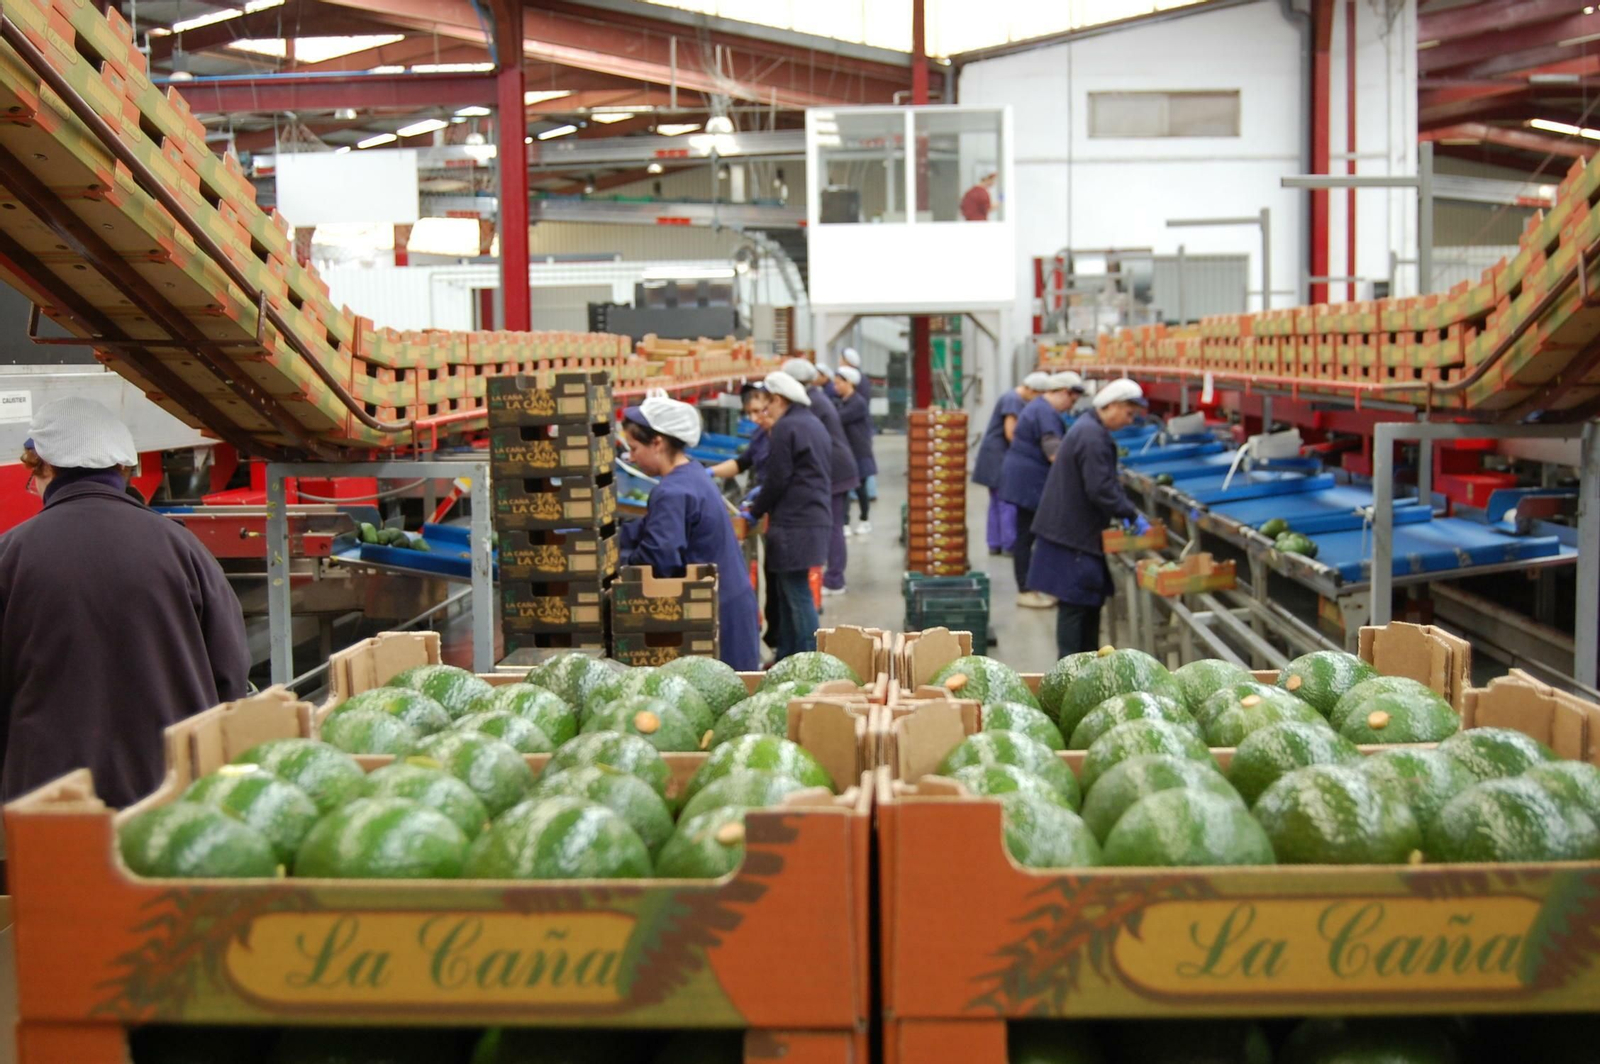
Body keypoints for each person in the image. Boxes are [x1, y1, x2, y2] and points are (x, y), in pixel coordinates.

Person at [0, 397, 249, 809]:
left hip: (49, 803)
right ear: (122, 469)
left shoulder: (10, 555)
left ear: (44, 468)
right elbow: (231, 671)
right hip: (171, 794)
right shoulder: (182, 547)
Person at [618, 396, 762, 671]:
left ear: (658, 443)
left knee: (725, 690)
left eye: (634, 448)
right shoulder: (693, 473)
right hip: (729, 601)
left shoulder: (672, 492)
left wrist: (620, 566)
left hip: (715, 613)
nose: (631, 457)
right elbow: (652, 528)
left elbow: (658, 559)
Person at [1030, 379, 1149, 657]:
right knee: (1075, 604)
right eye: (1128, 413)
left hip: (1073, 531)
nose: (1129, 421)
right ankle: (1071, 667)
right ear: (1113, 406)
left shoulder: (1089, 428)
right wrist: (1130, 513)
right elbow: (1100, 488)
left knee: (1086, 603)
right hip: (1073, 536)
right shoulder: (1092, 436)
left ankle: (1086, 662)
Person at [746, 371, 832, 661]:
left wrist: (755, 510)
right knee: (788, 593)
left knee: (796, 594)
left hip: (795, 523)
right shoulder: (813, 423)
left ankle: (808, 659)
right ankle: (788, 655)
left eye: (768, 402)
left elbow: (778, 478)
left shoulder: (786, 427)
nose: (765, 410)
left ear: (779, 400)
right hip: (813, 518)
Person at [997, 371, 1083, 609]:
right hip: (1030, 483)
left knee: (1027, 535)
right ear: (1063, 392)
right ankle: (1026, 590)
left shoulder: (1039, 408)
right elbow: (1054, 452)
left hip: (1027, 480)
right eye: (1072, 400)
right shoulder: (1045, 413)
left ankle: (1032, 586)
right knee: (1028, 536)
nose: (1070, 406)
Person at [782, 357, 859, 596]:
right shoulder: (814, 397)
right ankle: (832, 576)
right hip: (835, 465)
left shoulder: (811, 402)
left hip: (835, 468)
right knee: (832, 524)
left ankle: (835, 580)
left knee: (833, 525)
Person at [972, 371, 1048, 557]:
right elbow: (1010, 432)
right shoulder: (1013, 400)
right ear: (1030, 390)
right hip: (999, 457)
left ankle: (995, 543)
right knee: (1007, 502)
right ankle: (1010, 544)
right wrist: (1027, 451)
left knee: (997, 501)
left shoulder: (1011, 398)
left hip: (994, 456)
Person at [833, 366, 876, 535]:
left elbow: (838, 418)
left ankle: (865, 520)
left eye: (839, 383)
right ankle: (845, 522)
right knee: (845, 488)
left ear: (849, 382)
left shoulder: (858, 403)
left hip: (859, 452)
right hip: (848, 452)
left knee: (860, 488)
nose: (836, 387)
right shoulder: (842, 402)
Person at [840, 347, 877, 504]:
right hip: (859, 428)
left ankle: (867, 494)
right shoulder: (862, 379)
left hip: (858, 430)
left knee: (862, 462)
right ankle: (866, 492)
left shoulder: (857, 384)